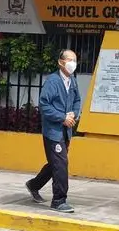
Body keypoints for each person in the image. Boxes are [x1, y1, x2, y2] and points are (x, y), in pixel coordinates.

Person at [26, 50, 81, 213]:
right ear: (61, 62)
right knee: (61, 164)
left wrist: (73, 114)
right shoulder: (52, 81)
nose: (73, 63)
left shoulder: (73, 81)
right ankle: (59, 200)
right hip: (53, 131)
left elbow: (77, 100)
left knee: (56, 163)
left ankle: (34, 184)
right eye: (70, 60)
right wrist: (62, 117)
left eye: (75, 60)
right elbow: (44, 106)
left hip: (66, 131)